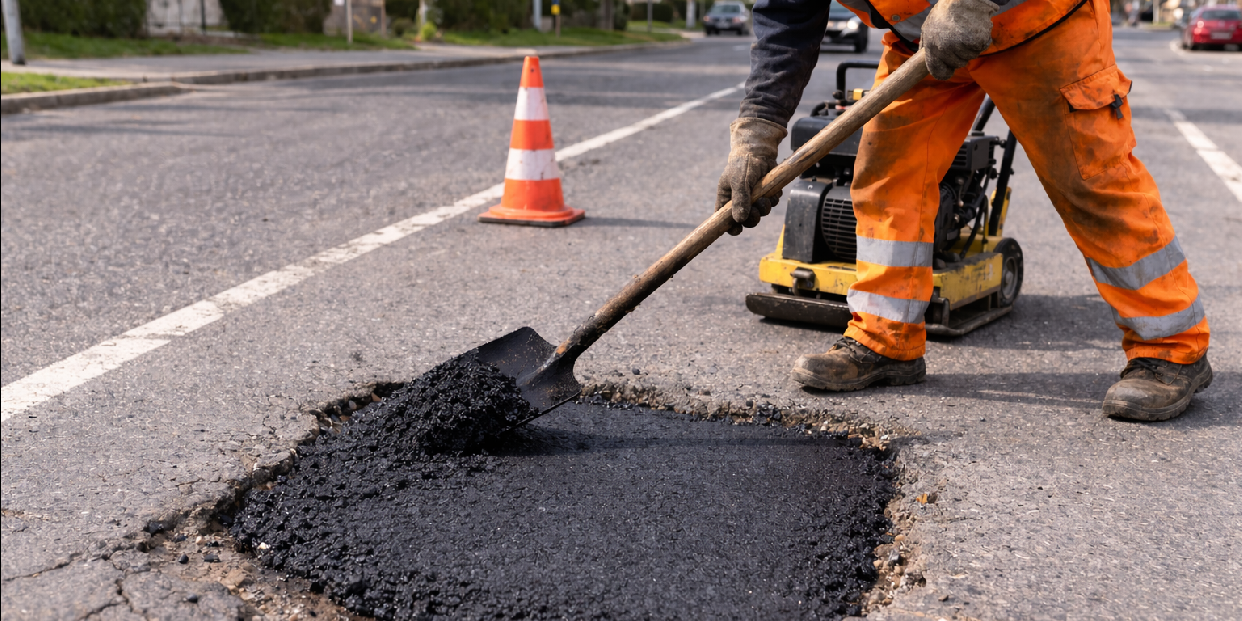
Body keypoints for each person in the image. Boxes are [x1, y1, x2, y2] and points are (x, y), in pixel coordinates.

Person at [715, 0, 1211, 421]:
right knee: (887, 174)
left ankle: (1171, 350)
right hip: (927, 42)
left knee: (1090, 180)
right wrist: (758, 130)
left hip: (1038, 23)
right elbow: (787, 15)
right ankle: (885, 338)